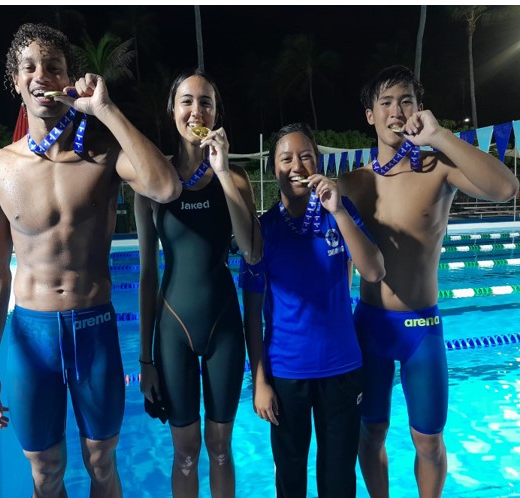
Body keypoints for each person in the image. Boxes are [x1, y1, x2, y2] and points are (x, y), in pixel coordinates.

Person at [0, 23, 181, 498]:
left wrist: (106, 110)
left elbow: (166, 186)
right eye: (29, 67)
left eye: (53, 66)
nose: (41, 76)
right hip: (32, 338)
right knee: (45, 472)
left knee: (101, 463)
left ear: (70, 78)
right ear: (15, 81)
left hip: (95, 330)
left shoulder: (103, 156)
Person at [340, 65, 519, 498]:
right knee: (371, 433)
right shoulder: (354, 183)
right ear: (370, 115)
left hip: (422, 329)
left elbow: (506, 188)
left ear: (419, 109)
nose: (396, 111)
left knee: (429, 442)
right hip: (369, 326)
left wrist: (439, 137)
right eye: (386, 102)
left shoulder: (439, 169)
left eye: (406, 101)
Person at [135, 68, 262, 498]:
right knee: (186, 453)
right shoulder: (150, 183)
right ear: (172, 111)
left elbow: (252, 252)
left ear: (216, 113)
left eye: (205, 102)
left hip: (223, 326)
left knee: (221, 451)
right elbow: (147, 273)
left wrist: (222, 172)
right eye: (186, 101)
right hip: (173, 331)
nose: (196, 110)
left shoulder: (236, 178)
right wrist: (145, 359)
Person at [241, 123, 385, 498]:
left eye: (305, 156)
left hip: (342, 368)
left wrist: (338, 210)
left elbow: (374, 271)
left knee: (338, 480)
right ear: (273, 168)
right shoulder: (262, 230)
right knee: (290, 481)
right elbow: (252, 313)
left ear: (317, 163)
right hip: (286, 373)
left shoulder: (339, 212)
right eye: (286, 158)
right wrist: (259, 382)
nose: (297, 165)